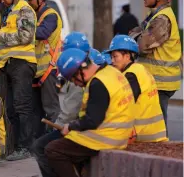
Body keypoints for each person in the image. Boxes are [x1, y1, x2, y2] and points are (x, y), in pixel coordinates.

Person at [45, 48, 135, 177]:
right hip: (118, 133)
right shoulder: (110, 72)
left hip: (106, 137)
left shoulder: (98, 83)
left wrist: (70, 127)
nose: (75, 84)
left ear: (79, 71)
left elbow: (92, 120)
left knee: (53, 150)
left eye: (73, 79)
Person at [0, 0, 37, 161]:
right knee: (11, 109)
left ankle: (26, 147)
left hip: (22, 63)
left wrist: (0, 36)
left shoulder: (25, 9)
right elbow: (2, 38)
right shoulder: (4, 13)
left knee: (22, 106)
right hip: (7, 65)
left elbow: (26, 36)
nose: (2, 1)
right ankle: (15, 146)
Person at [32, 32, 89, 177]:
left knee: (40, 146)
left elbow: (70, 112)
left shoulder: (81, 74)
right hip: (82, 127)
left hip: (80, 130)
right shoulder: (88, 65)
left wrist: (58, 128)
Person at [129, 0, 181, 129]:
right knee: (150, 124)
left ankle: (161, 153)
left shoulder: (162, 19)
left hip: (160, 82)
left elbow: (141, 45)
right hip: (154, 81)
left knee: (157, 127)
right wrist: (137, 35)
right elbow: (133, 33)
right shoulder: (155, 16)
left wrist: (137, 36)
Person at [108, 35, 168, 142]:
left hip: (142, 136)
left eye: (115, 56)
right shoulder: (140, 69)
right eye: (111, 57)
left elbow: (123, 105)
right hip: (155, 134)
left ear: (127, 56)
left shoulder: (131, 75)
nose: (112, 61)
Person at [24, 0, 61, 138]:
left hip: (48, 70)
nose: (29, 3)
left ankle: (55, 139)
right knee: (37, 111)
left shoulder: (50, 15)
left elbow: (43, 33)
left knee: (51, 108)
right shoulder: (35, 16)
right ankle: (39, 142)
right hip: (38, 71)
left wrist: (23, 31)